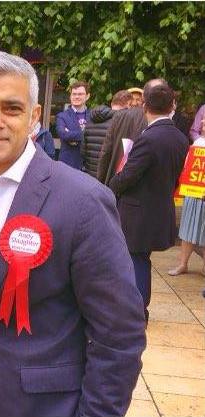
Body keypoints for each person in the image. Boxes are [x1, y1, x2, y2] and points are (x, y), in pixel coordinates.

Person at [0, 51, 146, 417]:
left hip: (46, 406)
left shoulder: (84, 201)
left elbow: (119, 335)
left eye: (11, 108)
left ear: (34, 118)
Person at [109, 81, 188, 322]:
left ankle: (137, 311)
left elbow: (129, 176)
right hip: (159, 207)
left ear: (144, 105)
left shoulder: (150, 137)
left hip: (138, 213)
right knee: (140, 260)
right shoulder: (179, 137)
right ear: (171, 105)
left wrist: (111, 186)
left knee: (137, 261)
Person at [168, 113, 205, 276]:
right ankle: (183, 264)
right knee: (187, 228)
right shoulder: (197, 142)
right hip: (193, 192)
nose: (203, 125)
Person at [83, 89, 131, 178]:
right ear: (128, 105)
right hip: (108, 176)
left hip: (90, 175)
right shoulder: (122, 124)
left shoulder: (90, 121)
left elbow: (82, 151)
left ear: (112, 104)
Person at [56, 81, 91, 170]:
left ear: (87, 96)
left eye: (80, 94)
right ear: (70, 96)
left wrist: (73, 136)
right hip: (68, 165)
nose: (76, 97)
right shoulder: (62, 116)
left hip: (89, 166)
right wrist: (88, 135)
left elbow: (99, 136)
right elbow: (63, 135)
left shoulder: (93, 116)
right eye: (74, 94)